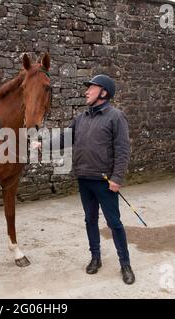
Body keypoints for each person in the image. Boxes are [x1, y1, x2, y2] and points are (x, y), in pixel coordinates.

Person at [33, 74, 135, 285]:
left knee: (114, 223)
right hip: (84, 179)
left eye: (92, 88)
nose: (86, 91)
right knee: (90, 220)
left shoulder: (116, 117)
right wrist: (43, 144)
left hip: (105, 181)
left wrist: (117, 178)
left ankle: (125, 263)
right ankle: (95, 258)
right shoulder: (81, 118)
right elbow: (65, 138)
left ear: (104, 92)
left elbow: (123, 150)